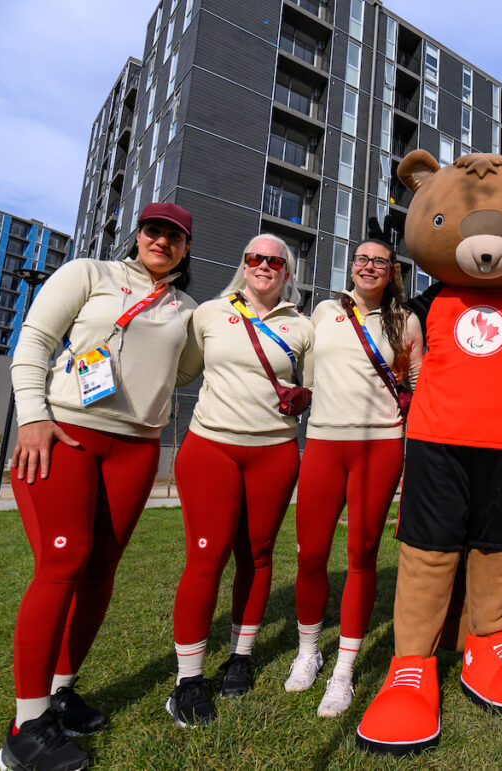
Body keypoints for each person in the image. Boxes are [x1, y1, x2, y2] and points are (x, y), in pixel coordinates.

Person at [0, 203, 197, 771]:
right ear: (137, 235)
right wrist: (33, 416)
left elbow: (182, 372)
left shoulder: (183, 307)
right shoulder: (89, 274)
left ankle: (60, 694)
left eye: (175, 236)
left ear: (185, 248)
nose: (162, 241)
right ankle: (24, 728)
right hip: (66, 432)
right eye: (154, 230)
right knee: (64, 561)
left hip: (135, 446)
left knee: (101, 568)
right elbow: (35, 340)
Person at [166, 234, 313, 726]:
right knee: (206, 557)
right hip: (212, 447)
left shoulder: (302, 326)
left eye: (275, 260)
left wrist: (303, 396)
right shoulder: (209, 313)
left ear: (287, 271)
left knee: (257, 554)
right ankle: (188, 680)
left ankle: (241, 656)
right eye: (255, 257)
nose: (264, 265)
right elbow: (181, 372)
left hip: (273, 452)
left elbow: (310, 387)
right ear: (243, 263)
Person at [288, 237, 423, 717]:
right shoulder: (323, 312)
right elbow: (301, 367)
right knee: (311, 555)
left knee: (362, 554)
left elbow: (416, 385)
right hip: (323, 444)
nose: (370, 267)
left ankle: (343, 673)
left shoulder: (406, 322)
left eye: (380, 262)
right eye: (362, 259)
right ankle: (308, 652)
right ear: (350, 267)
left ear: (392, 272)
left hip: (379, 447)